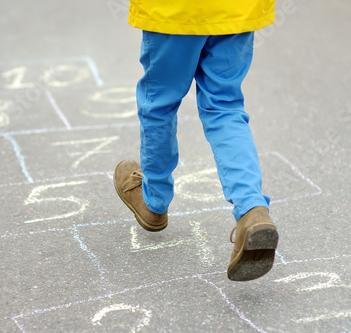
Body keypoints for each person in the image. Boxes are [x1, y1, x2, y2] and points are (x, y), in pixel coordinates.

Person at [113, 1, 279, 281]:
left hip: (176, 10)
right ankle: (252, 208)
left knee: (159, 104)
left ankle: (154, 202)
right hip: (236, 9)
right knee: (225, 107)